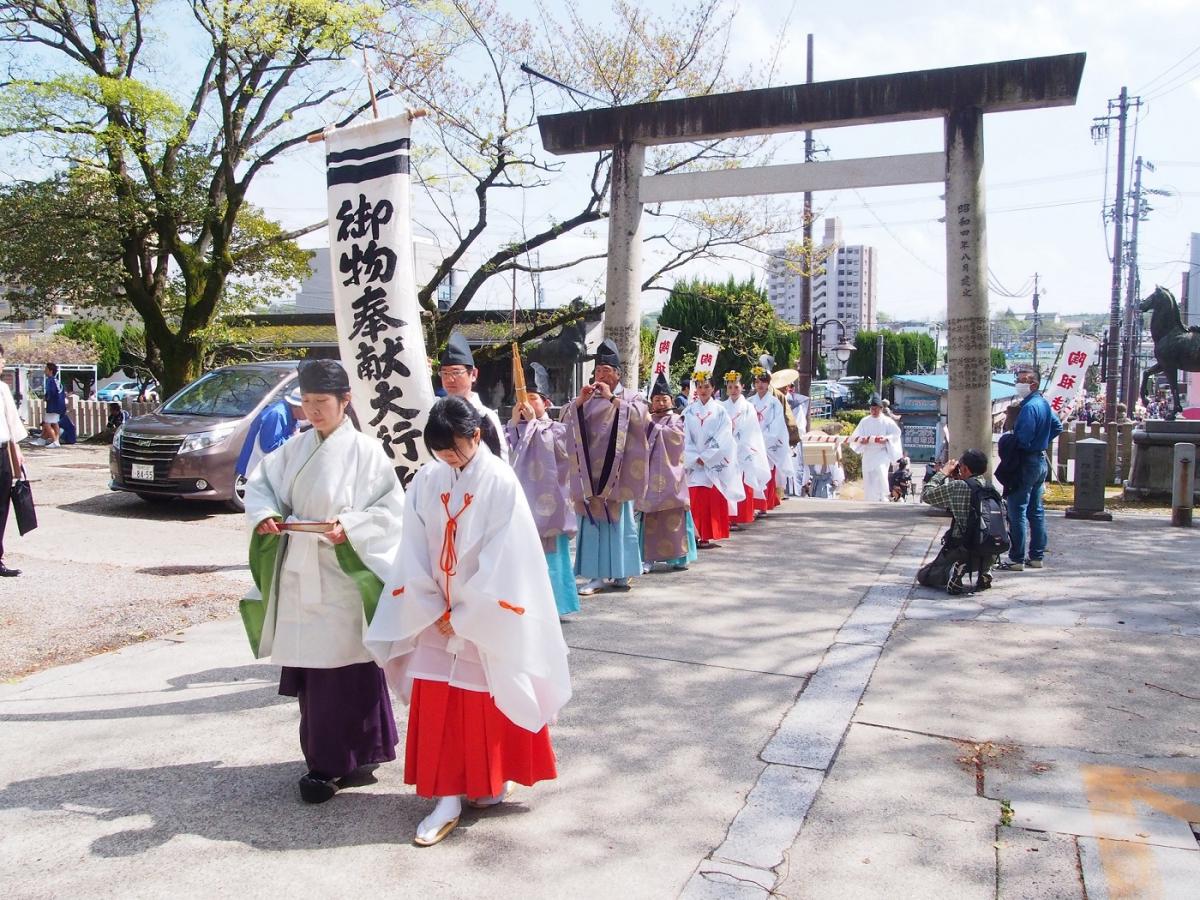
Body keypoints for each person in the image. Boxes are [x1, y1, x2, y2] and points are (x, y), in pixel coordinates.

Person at [365, 396, 571, 847]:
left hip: (481, 614)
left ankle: (486, 782)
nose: (447, 459)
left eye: (454, 449)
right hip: (434, 608)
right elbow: (412, 547)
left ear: (475, 435)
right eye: (439, 452)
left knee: (482, 700)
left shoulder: (499, 480)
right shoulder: (427, 479)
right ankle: (447, 796)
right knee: (440, 699)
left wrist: (465, 615)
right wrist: (431, 607)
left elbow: (507, 556)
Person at [242, 359, 406, 805]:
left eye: (322, 403)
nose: (313, 411)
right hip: (300, 568)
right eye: (307, 403)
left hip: (343, 570)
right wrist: (267, 515)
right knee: (316, 673)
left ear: (345, 401)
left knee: (347, 667)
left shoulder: (367, 453)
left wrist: (350, 526)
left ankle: (348, 757)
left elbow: (391, 511)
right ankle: (326, 758)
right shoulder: (293, 450)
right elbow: (261, 487)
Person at [561, 338, 649, 596]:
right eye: (598, 370)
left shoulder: (631, 397)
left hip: (618, 474)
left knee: (620, 523)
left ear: (618, 374)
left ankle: (622, 573)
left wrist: (613, 400)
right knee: (593, 522)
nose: (601, 375)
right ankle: (596, 576)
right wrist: (578, 402)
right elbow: (564, 420)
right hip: (589, 475)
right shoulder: (586, 398)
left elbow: (641, 418)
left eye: (606, 371)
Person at [505, 361, 579, 619]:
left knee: (553, 559)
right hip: (522, 502)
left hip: (550, 505)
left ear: (546, 403)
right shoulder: (511, 429)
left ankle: (557, 606)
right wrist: (514, 424)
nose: (525, 403)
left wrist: (532, 424)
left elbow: (561, 457)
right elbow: (505, 457)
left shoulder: (556, 429)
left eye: (532, 398)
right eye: (521, 399)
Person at [1000, 368, 1063, 571]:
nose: (1018, 384)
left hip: (1025, 462)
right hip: (1040, 461)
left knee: (1016, 510)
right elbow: (1057, 426)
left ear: (1033, 384)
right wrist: (1042, 441)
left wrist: (1011, 441)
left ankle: (1016, 557)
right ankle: (1036, 556)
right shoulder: (1044, 403)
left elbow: (1023, 439)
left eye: (1022, 381)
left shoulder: (1028, 408)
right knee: (1036, 511)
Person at [639, 374, 697, 572]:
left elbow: (676, 440)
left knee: (674, 515)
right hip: (649, 476)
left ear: (671, 400)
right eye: (656, 399)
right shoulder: (646, 420)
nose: (661, 403)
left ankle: (679, 557)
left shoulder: (677, 419)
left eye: (664, 399)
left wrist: (652, 425)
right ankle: (648, 558)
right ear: (651, 403)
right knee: (650, 517)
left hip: (673, 476)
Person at [919, 448, 993, 593]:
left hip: (962, 546)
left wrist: (943, 472)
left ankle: (958, 567)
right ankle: (985, 569)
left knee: (924, 576)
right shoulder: (989, 486)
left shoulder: (958, 486)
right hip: (988, 547)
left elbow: (927, 495)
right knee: (980, 554)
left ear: (964, 468)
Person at [684, 370, 742, 548]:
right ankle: (694, 535)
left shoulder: (720, 411)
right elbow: (684, 436)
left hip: (713, 460)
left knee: (709, 499)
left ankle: (707, 535)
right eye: (700, 386)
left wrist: (707, 456)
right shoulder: (689, 411)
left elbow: (724, 435)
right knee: (695, 499)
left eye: (707, 386)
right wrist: (694, 456)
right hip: (694, 462)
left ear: (713, 388)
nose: (703, 390)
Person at [438, 331, 508, 462]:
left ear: (473, 374)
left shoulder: (485, 417)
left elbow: (500, 462)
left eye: (456, 372)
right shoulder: (436, 414)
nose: (449, 379)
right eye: (444, 373)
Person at [721, 371, 770, 527]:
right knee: (726, 481)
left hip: (743, 447)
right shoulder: (721, 407)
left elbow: (752, 428)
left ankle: (740, 516)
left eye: (736, 387)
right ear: (726, 389)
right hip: (727, 447)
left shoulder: (748, 407)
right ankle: (728, 517)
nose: (733, 390)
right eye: (730, 387)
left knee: (743, 480)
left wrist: (740, 438)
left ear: (742, 387)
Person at [0, 345, 29, 576]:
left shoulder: (2, 389)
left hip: (0, 452)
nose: (1, 363)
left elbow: (11, 425)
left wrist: (16, 452)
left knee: (1, 506)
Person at [748, 370, 792, 514]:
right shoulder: (749, 402)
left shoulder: (774, 403)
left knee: (767, 472)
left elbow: (777, 424)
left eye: (763, 382)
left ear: (768, 383)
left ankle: (764, 504)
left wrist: (764, 440)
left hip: (768, 443)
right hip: (752, 443)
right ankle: (754, 503)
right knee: (753, 472)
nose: (760, 385)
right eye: (757, 382)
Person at [235, 387, 301, 483]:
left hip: (269, 472)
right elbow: (269, 446)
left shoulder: (289, 413)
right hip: (258, 472)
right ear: (298, 406)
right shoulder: (276, 414)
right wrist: (295, 439)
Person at [848, 394, 903, 502]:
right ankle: (870, 498)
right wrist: (861, 440)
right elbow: (856, 436)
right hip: (868, 452)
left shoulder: (887, 421)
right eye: (872, 409)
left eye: (876, 409)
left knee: (880, 471)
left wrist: (886, 439)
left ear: (881, 409)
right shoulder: (865, 421)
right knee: (869, 477)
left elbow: (896, 433)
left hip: (881, 452)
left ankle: (883, 496)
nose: (874, 411)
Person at [39, 362, 66, 447]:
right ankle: (52, 441)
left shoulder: (50, 380)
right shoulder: (57, 381)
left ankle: (54, 441)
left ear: (50, 371)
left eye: (46, 369)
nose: (44, 371)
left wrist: (46, 398)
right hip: (60, 405)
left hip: (53, 405)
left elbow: (51, 392)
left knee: (47, 423)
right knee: (54, 423)